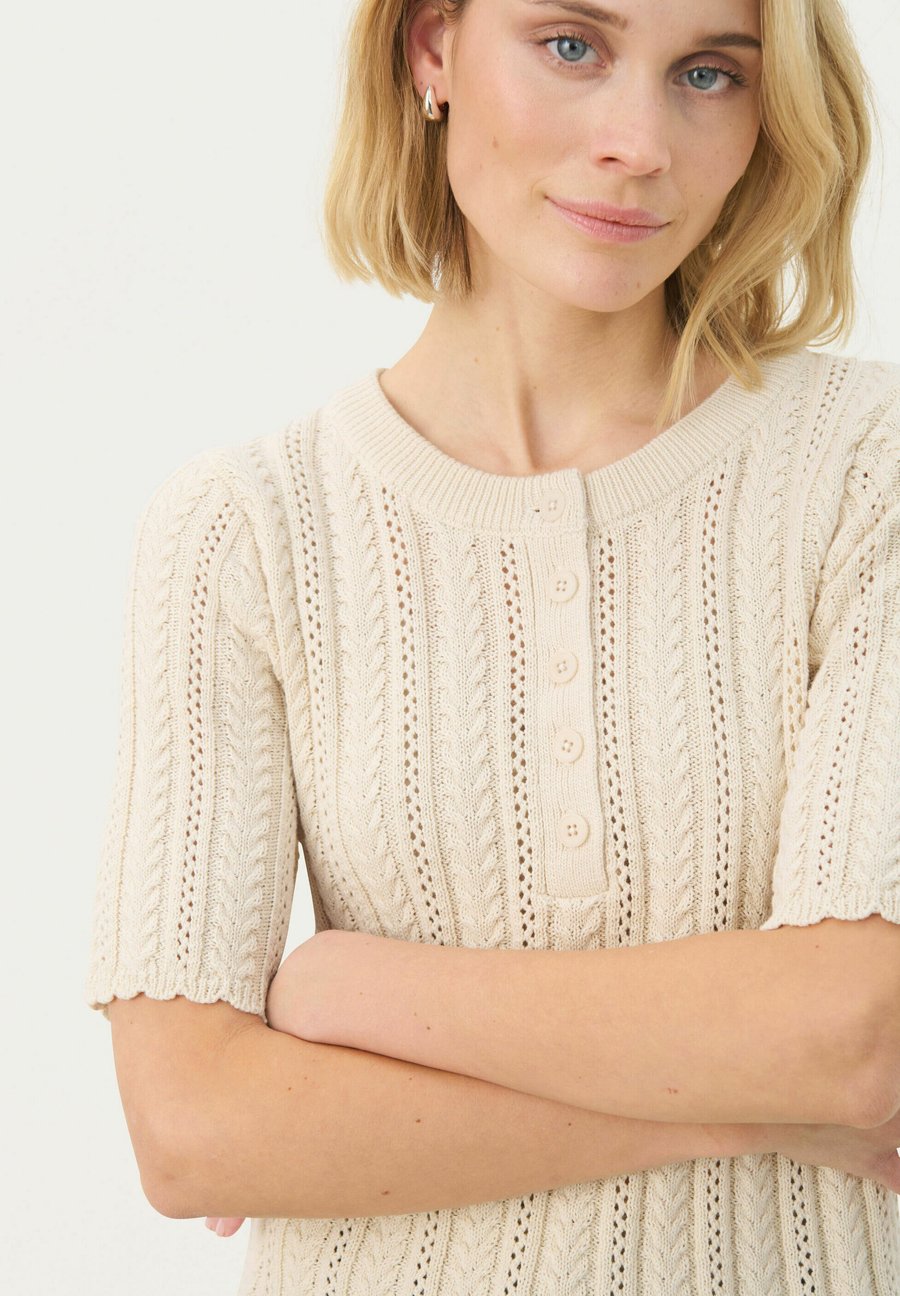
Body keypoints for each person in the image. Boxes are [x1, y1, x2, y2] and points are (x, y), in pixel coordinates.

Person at [84, 1, 900, 1292]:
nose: (639, 142)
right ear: (432, 50)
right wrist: (747, 1112)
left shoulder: (865, 471)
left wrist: (348, 993)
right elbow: (195, 1132)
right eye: (573, 46)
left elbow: (856, 1035)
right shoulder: (246, 532)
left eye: (709, 73)